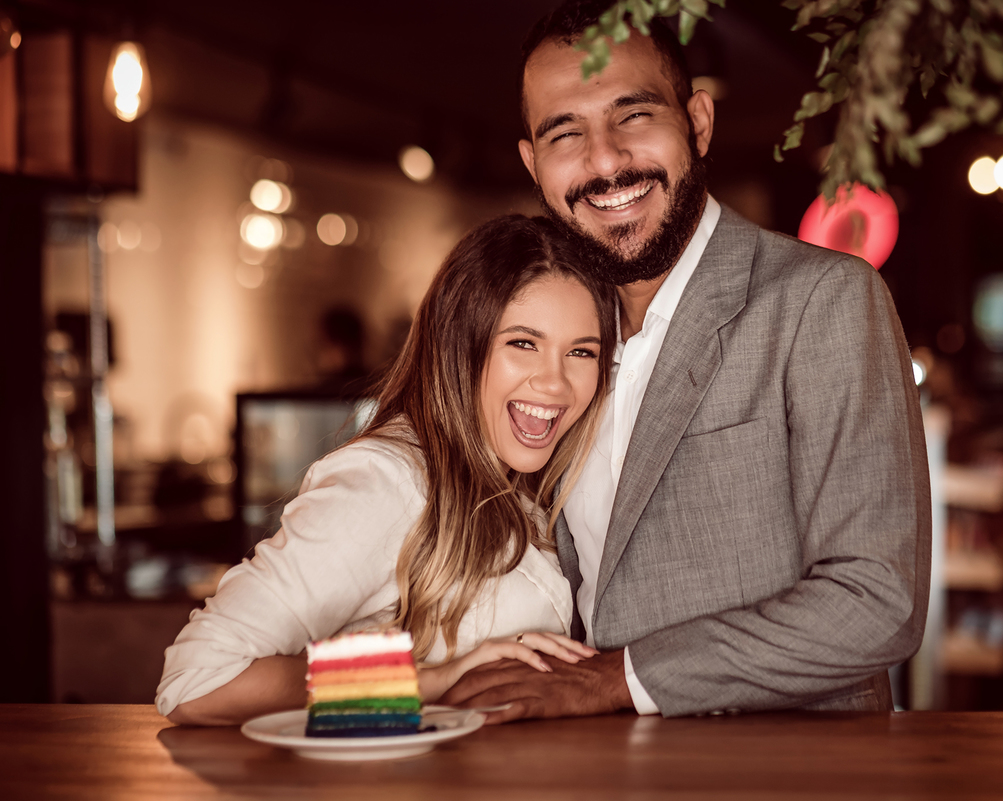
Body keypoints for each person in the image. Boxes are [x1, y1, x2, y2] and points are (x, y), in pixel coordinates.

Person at [441, 1, 931, 720]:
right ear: (533, 163)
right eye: (565, 133)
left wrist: (616, 680)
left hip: (790, 763)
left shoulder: (822, 299)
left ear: (697, 123)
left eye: (633, 115)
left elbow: (877, 601)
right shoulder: (559, 347)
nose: (605, 160)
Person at [157, 215, 617, 725]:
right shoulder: (387, 480)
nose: (555, 383)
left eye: (581, 352)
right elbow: (198, 678)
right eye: (523, 343)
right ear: (460, 345)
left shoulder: (530, 483)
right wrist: (433, 682)